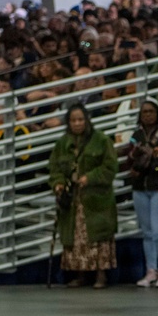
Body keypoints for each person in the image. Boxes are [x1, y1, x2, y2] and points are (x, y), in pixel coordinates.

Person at [48, 102, 119, 289]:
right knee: (76, 240)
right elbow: (54, 169)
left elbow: (110, 168)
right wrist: (58, 184)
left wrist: (91, 177)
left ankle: (101, 276)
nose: (77, 123)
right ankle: (80, 275)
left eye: (80, 119)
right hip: (73, 201)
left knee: (98, 239)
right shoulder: (62, 144)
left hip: (97, 199)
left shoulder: (102, 140)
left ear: (87, 120)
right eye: (73, 120)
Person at [128, 98, 158, 288]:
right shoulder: (136, 135)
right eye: (144, 112)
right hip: (140, 187)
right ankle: (151, 271)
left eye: (151, 111)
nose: (147, 115)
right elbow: (128, 157)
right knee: (147, 233)